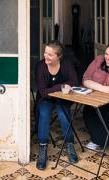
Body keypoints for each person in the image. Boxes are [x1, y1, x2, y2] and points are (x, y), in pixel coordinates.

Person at [35, 41, 79, 170]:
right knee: (44, 113)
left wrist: (54, 90)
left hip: (63, 98)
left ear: (58, 56)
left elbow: (74, 82)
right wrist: (60, 86)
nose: (45, 56)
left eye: (50, 54)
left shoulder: (66, 64)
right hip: (45, 99)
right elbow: (43, 92)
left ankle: (69, 144)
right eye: (45, 53)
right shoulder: (41, 66)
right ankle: (43, 148)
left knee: (63, 114)